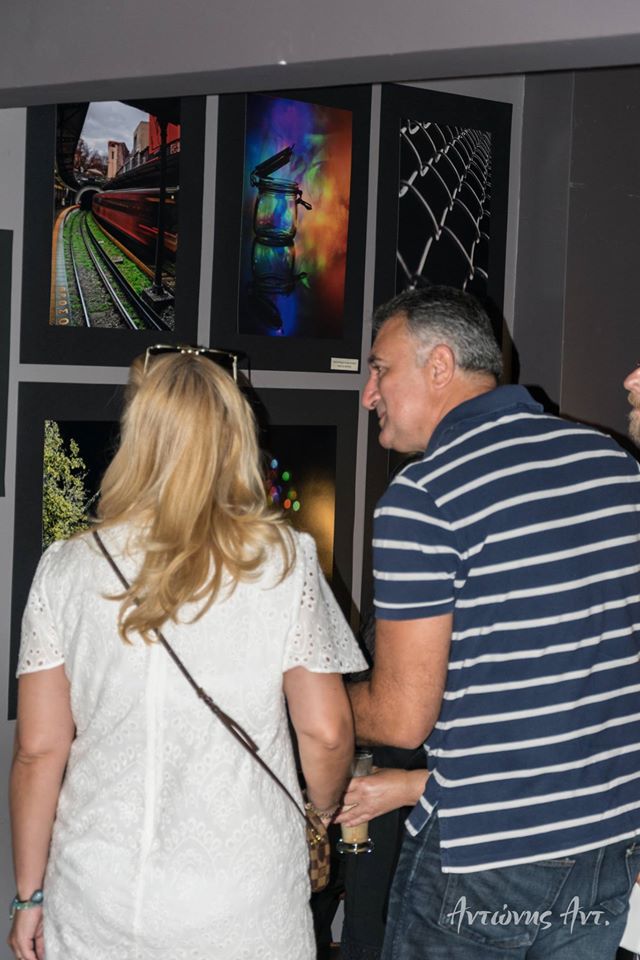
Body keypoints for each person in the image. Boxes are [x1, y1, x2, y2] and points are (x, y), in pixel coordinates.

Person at [8, 344, 367, 960]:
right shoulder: (284, 562)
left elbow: (38, 752)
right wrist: (324, 806)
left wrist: (27, 896)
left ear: (136, 437)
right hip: (243, 901)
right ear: (235, 438)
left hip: (99, 898)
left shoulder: (64, 569)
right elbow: (328, 733)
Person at [348, 286, 640, 960]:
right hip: (607, 842)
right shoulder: (612, 462)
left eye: (380, 369)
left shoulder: (425, 496)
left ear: (440, 366)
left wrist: (309, 702)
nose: (368, 395)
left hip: (485, 860)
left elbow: (400, 720)